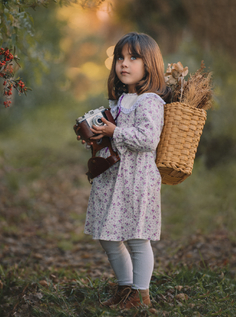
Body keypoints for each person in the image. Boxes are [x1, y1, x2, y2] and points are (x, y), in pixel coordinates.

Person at [77, 32, 171, 309]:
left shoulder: (150, 101)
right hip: (113, 178)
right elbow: (116, 139)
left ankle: (140, 296)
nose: (124, 63)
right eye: (120, 57)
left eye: (133, 58)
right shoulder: (118, 102)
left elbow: (147, 139)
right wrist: (97, 137)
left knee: (137, 238)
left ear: (149, 64)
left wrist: (115, 130)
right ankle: (126, 287)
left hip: (137, 179)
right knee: (108, 236)